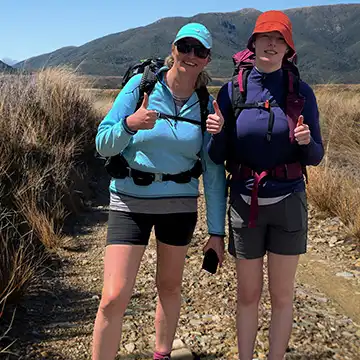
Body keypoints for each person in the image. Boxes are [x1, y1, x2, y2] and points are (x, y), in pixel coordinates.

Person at [93, 23, 227, 360]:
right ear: (174, 48)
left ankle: (162, 355)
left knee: (168, 287)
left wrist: (216, 232)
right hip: (129, 200)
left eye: (200, 51)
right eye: (186, 47)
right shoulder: (142, 87)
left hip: (178, 205)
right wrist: (129, 125)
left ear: (208, 58)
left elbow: (212, 171)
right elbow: (102, 142)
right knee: (113, 296)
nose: (191, 56)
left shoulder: (204, 104)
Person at [207, 10, 324, 360]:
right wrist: (217, 133)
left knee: (283, 296)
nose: (271, 44)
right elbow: (217, 155)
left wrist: (305, 141)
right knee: (247, 295)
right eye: (265, 37)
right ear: (253, 43)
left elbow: (316, 156)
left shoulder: (301, 92)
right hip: (245, 203)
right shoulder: (231, 92)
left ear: (288, 49)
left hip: (288, 202)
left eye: (279, 39)